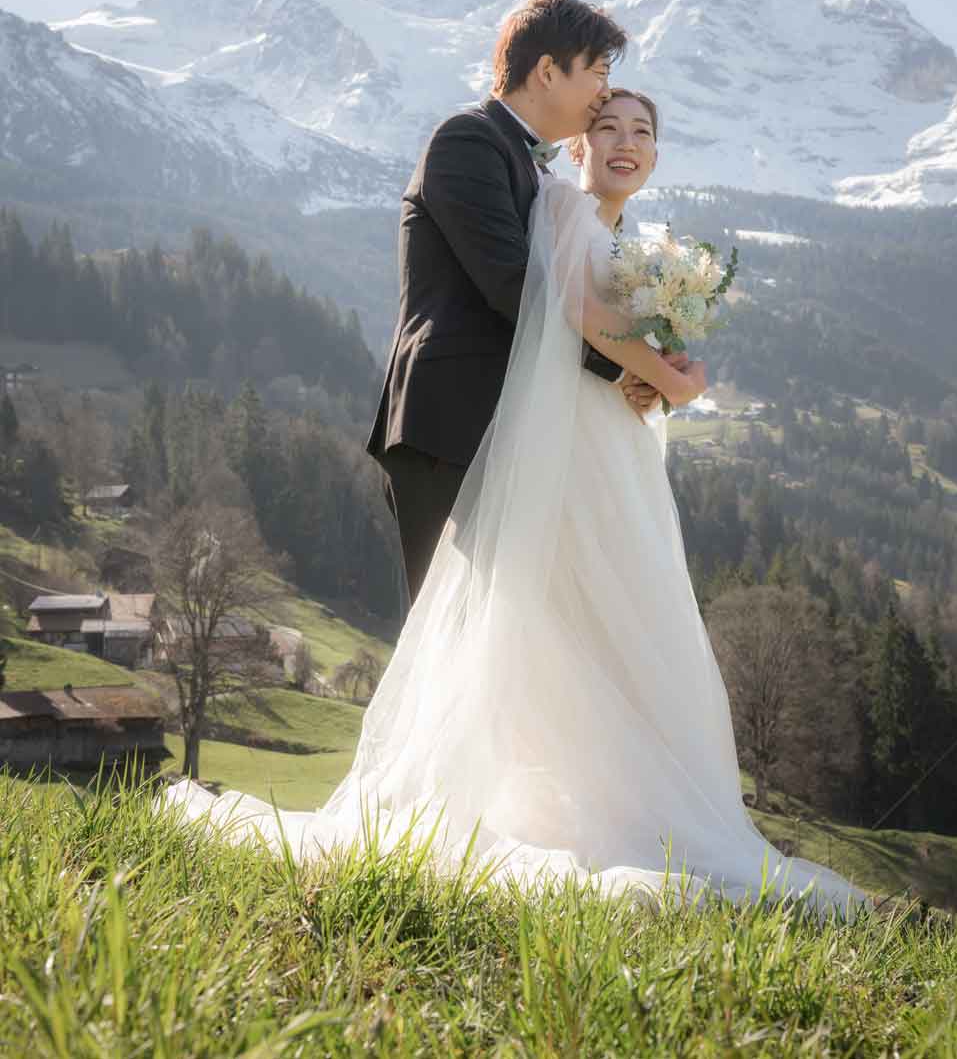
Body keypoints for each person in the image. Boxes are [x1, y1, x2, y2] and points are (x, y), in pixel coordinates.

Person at [162, 86, 869, 919]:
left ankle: (603, 799)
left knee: (610, 630)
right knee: (558, 625)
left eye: (643, 133)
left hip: (608, 453)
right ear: (578, 145)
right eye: (607, 128)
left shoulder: (618, 236)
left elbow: (618, 343)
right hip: (566, 451)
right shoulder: (565, 214)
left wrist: (669, 365)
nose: (625, 143)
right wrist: (669, 375)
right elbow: (566, 318)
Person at [365, 0, 658, 603]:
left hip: (504, 430)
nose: (603, 93)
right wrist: (622, 366)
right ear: (548, 71)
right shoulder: (467, 141)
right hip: (448, 428)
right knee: (447, 639)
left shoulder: (537, 172)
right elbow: (516, 286)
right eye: (599, 74)